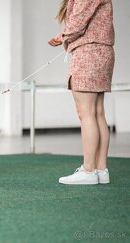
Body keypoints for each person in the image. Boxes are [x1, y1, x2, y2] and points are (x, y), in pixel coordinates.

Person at [48, 0, 115, 184]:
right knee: (97, 113)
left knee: (86, 113)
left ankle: (89, 170)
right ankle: (100, 170)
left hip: (89, 52)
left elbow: (78, 21)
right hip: (100, 51)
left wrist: (62, 35)